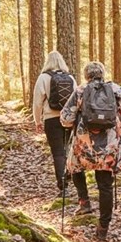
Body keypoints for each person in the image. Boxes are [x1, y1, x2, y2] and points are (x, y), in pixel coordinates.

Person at [60, 61, 121, 241]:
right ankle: (103, 226)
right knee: (105, 185)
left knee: (75, 167)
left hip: (85, 145)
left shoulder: (80, 91)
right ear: (103, 74)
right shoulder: (116, 90)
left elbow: (65, 118)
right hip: (108, 145)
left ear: (86, 75)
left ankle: (84, 201)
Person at [32, 51, 77, 194]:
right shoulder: (70, 77)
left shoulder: (43, 77)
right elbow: (77, 99)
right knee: (68, 150)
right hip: (69, 120)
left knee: (58, 153)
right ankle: (71, 177)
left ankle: (63, 186)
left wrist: (37, 120)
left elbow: (37, 102)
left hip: (51, 119)